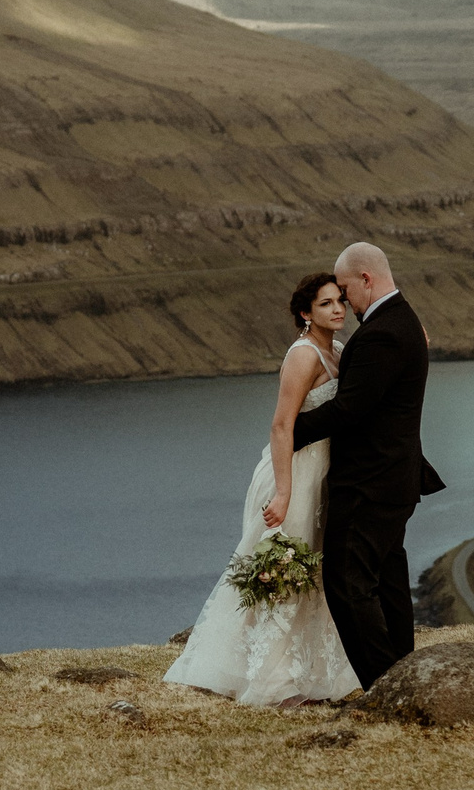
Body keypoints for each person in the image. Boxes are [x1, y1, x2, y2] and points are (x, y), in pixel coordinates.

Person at [163, 273, 362, 705]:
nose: (338, 309)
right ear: (305, 314)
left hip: (324, 474)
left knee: (315, 575)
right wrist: (285, 493)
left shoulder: (340, 351)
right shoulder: (303, 356)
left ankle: (310, 674)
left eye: (340, 301)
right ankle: (273, 683)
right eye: (326, 303)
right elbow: (280, 425)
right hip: (292, 476)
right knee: (284, 573)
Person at [287, 241, 443, 690]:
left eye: (345, 289)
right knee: (388, 578)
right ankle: (404, 677)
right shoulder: (401, 321)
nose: (344, 300)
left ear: (366, 280)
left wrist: (290, 431)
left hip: (371, 482)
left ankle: (384, 686)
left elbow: (350, 409)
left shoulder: (382, 333)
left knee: (347, 582)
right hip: (394, 477)